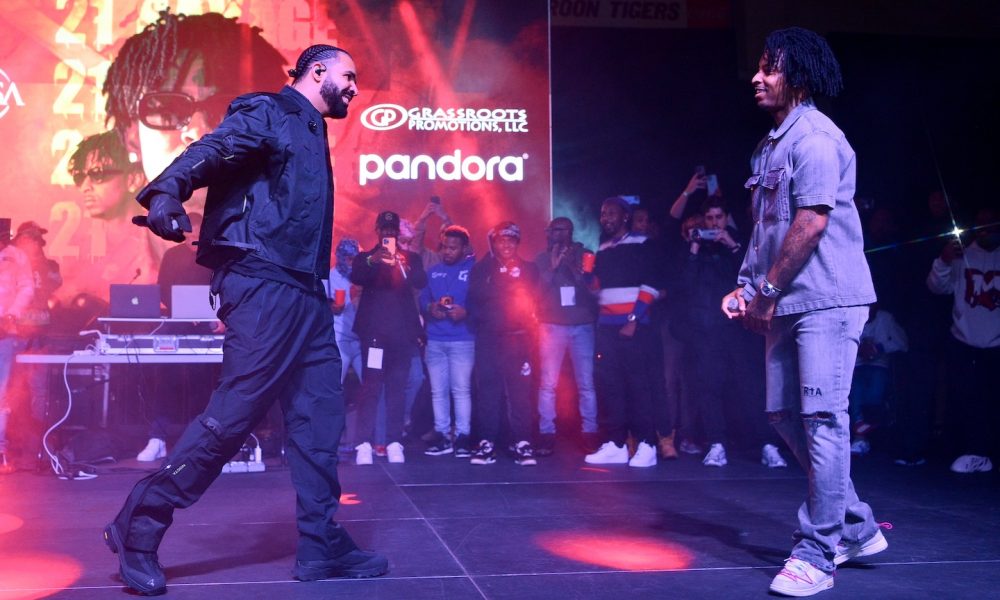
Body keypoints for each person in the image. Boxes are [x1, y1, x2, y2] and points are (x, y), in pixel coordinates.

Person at [102, 45, 388, 596]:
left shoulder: (310, 129)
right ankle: (138, 525)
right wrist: (167, 189)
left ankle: (320, 544)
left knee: (319, 421)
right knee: (232, 419)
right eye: (349, 76)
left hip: (305, 294)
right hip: (262, 284)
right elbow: (215, 148)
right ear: (318, 72)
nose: (354, 87)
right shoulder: (268, 111)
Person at [721, 27, 886, 597]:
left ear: (799, 76)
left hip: (828, 298)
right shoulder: (771, 144)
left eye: (769, 68)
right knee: (784, 418)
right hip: (785, 299)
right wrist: (748, 285)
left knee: (821, 419)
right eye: (758, 67)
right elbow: (769, 228)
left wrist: (764, 291)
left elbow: (811, 223)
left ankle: (819, 551)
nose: (756, 77)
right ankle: (858, 526)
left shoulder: (815, 137)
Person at [584, 197, 663, 468]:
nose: (605, 218)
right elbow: (599, 291)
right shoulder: (604, 248)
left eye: (611, 213)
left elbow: (651, 285)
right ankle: (616, 444)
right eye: (603, 213)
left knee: (638, 386)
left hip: (633, 327)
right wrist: (586, 276)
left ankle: (646, 444)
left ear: (625, 216)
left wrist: (633, 319)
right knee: (611, 386)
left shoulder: (642, 244)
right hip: (606, 328)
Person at [927, 206, 1000, 473]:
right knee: (963, 399)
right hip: (963, 340)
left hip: (996, 344)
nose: (987, 228)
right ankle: (969, 451)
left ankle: (984, 453)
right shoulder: (962, 255)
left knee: (991, 401)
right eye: (981, 223)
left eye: (992, 222)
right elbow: (937, 287)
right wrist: (944, 261)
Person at [350, 211, 427, 465]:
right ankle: (363, 443)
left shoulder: (410, 258)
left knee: (397, 389)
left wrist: (402, 265)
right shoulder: (366, 259)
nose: (388, 235)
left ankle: (395, 441)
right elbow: (357, 276)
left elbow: (420, 282)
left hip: (401, 337)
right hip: (374, 337)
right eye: (384, 230)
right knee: (370, 388)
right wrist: (375, 260)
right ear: (377, 230)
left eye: (392, 231)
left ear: (398, 233)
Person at [467, 221, 540, 466]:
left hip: (519, 339)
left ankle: (522, 442)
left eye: (511, 240)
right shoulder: (481, 269)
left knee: (520, 393)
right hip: (489, 339)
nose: (506, 244)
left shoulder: (530, 269)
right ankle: (487, 442)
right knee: (488, 391)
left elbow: (534, 299)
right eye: (501, 240)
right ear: (493, 243)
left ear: (518, 243)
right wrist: (502, 280)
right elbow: (475, 299)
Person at [533, 217, 599, 456]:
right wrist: (552, 267)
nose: (554, 234)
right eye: (552, 230)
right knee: (548, 383)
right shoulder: (541, 258)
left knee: (586, 384)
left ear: (570, 231)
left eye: (560, 230)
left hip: (582, 325)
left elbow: (594, 291)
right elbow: (535, 294)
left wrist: (575, 269)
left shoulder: (585, 254)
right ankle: (546, 432)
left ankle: (590, 432)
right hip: (551, 325)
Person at [418, 225, 476, 457]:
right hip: (435, 339)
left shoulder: (473, 270)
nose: (447, 252)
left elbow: (482, 300)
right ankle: (442, 435)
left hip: (463, 339)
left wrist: (466, 311)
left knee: (460, 389)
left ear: (464, 249)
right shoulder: (433, 271)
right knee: (438, 391)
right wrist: (431, 308)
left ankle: (462, 436)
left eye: (453, 248)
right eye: (444, 247)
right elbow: (423, 300)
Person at [0, 218, 34, 474]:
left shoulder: (16, 256)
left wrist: (11, 314)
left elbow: (27, 287)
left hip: (5, 330)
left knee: (2, 391)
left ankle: (1, 448)